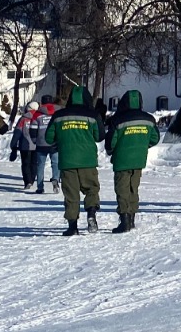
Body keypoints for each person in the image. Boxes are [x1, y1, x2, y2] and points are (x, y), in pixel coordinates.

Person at [46, 85, 103, 236]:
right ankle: (91, 213)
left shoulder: (59, 116)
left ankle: (72, 227)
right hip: (88, 160)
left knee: (71, 194)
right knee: (91, 189)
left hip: (67, 161)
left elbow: (48, 138)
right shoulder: (92, 115)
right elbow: (99, 136)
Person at [104, 90, 159, 233]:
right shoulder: (149, 119)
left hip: (122, 160)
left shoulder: (118, 120)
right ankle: (132, 219)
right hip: (139, 160)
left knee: (122, 190)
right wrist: (142, 145)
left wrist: (111, 151)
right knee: (134, 189)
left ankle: (124, 222)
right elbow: (155, 139)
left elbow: (110, 143)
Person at [33, 94, 60, 193]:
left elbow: (33, 129)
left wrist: (34, 140)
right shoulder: (57, 113)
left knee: (40, 165)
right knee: (56, 163)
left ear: (42, 102)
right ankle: (56, 179)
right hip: (54, 143)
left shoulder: (37, 114)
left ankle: (40, 187)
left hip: (41, 143)